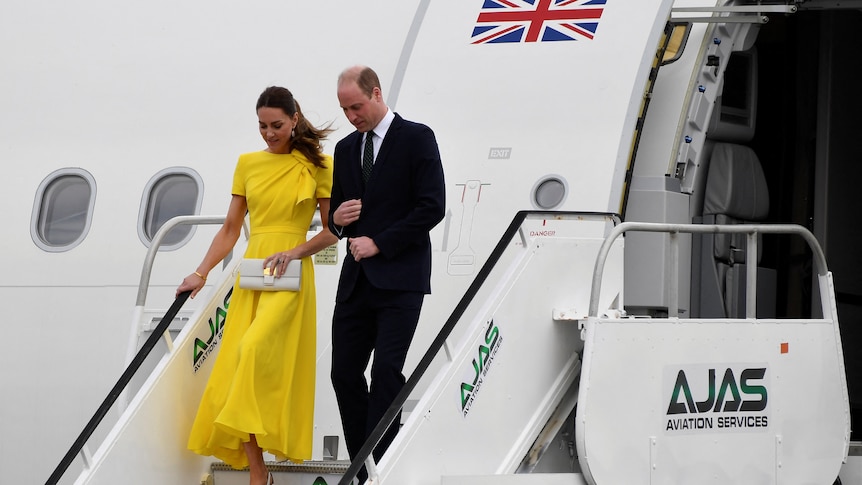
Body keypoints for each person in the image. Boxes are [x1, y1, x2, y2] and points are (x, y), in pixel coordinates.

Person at [176, 86, 337, 485]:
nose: (269, 133)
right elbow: (232, 229)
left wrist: (296, 251)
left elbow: (333, 231)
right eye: (262, 126)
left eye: (277, 125)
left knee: (252, 353)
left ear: (294, 119)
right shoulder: (247, 163)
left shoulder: (319, 165)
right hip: (254, 270)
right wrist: (202, 271)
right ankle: (257, 468)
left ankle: (261, 465)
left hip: (291, 271)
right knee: (238, 366)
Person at [328, 65, 446, 479]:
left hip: (400, 279)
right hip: (356, 281)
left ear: (376, 94)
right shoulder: (344, 150)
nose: (351, 116)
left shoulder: (417, 138)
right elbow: (336, 218)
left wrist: (380, 241)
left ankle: (378, 465)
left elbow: (432, 206)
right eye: (344, 110)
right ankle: (366, 466)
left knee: (385, 373)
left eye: (356, 106)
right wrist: (338, 221)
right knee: (343, 374)